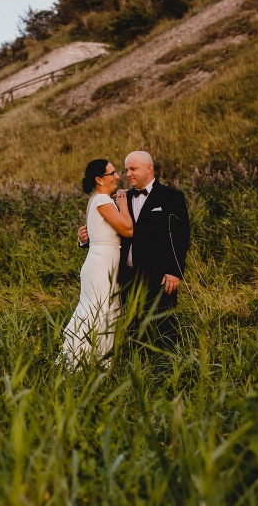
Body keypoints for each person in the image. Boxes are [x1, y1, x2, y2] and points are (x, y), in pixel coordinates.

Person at [80, 151, 190, 349]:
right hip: (128, 275)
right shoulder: (121, 198)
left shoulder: (171, 197)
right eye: (126, 169)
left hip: (159, 275)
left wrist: (174, 270)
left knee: (164, 328)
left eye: (133, 169)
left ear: (148, 168)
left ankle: (169, 369)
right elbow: (107, 232)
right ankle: (137, 370)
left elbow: (180, 236)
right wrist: (85, 239)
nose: (127, 174)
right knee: (134, 332)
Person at [61, 159, 133, 370]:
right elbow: (127, 230)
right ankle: (83, 364)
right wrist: (123, 206)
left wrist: (83, 238)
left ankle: (94, 362)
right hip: (101, 266)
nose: (118, 176)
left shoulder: (97, 199)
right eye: (112, 173)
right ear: (99, 179)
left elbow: (93, 233)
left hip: (101, 264)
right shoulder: (103, 200)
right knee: (98, 313)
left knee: (102, 313)